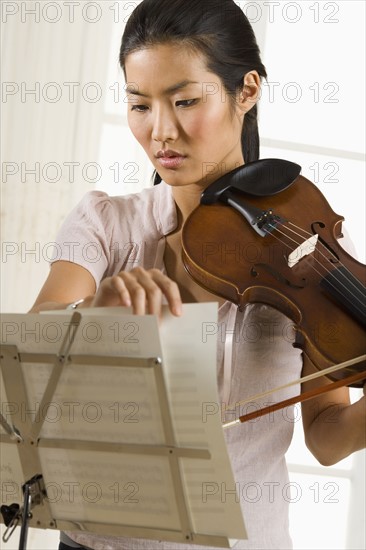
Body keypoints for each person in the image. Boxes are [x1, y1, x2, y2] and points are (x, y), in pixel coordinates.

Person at [29, 1, 365, 549]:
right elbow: (38, 337)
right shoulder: (108, 225)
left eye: (185, 101)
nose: (161, 131)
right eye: (140, 105)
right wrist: (95, 318)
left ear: (248, 91)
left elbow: (328, 437)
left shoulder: (313, 248)